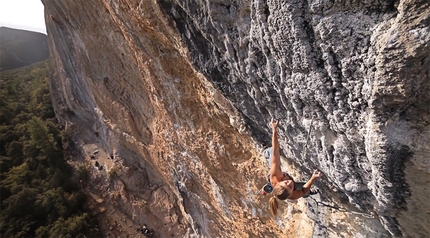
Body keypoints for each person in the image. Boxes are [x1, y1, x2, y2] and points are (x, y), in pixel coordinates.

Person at [267, 118, 323, 216]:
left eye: (285, 183)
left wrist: (274, 129)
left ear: (279, 182)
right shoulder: (293, 195)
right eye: (289, 187)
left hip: (275, 174)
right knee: (305, 191)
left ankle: (265, 151)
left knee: (271, 153)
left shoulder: (275, 175)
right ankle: (310, 193)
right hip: (294, 189)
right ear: (290, 194)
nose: (289, 183)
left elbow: (276, 151)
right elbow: (303, 190)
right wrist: (313, 178)